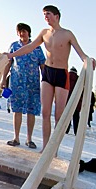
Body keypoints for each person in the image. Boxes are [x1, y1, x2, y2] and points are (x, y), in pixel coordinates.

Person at [7, 5, 95, 152]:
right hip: (48, 72)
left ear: (56, 16)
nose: (45, 17)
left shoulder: (67, 34)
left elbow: (80, 53)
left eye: (48, 14)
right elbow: (29, 47)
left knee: (58, 115)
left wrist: (88, 60)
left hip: (61, 74)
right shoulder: (44, 33)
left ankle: (54, 149)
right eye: (44, 15)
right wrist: (11, 55)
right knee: (45, 112)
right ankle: (46, 147)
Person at [2, 23, 46, 149]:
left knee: (31, 110)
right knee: (17, 109)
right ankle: (16, 137)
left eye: (24, 31)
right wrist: (3, 79)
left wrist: (46, 81)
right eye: (20, 32)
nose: (22, 34)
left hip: (33, 84)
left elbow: (42, 65)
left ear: (29, 33)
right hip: (17, 82)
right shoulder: (14, 46)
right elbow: (8, 63)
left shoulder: (37, 48)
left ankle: (29, 139)